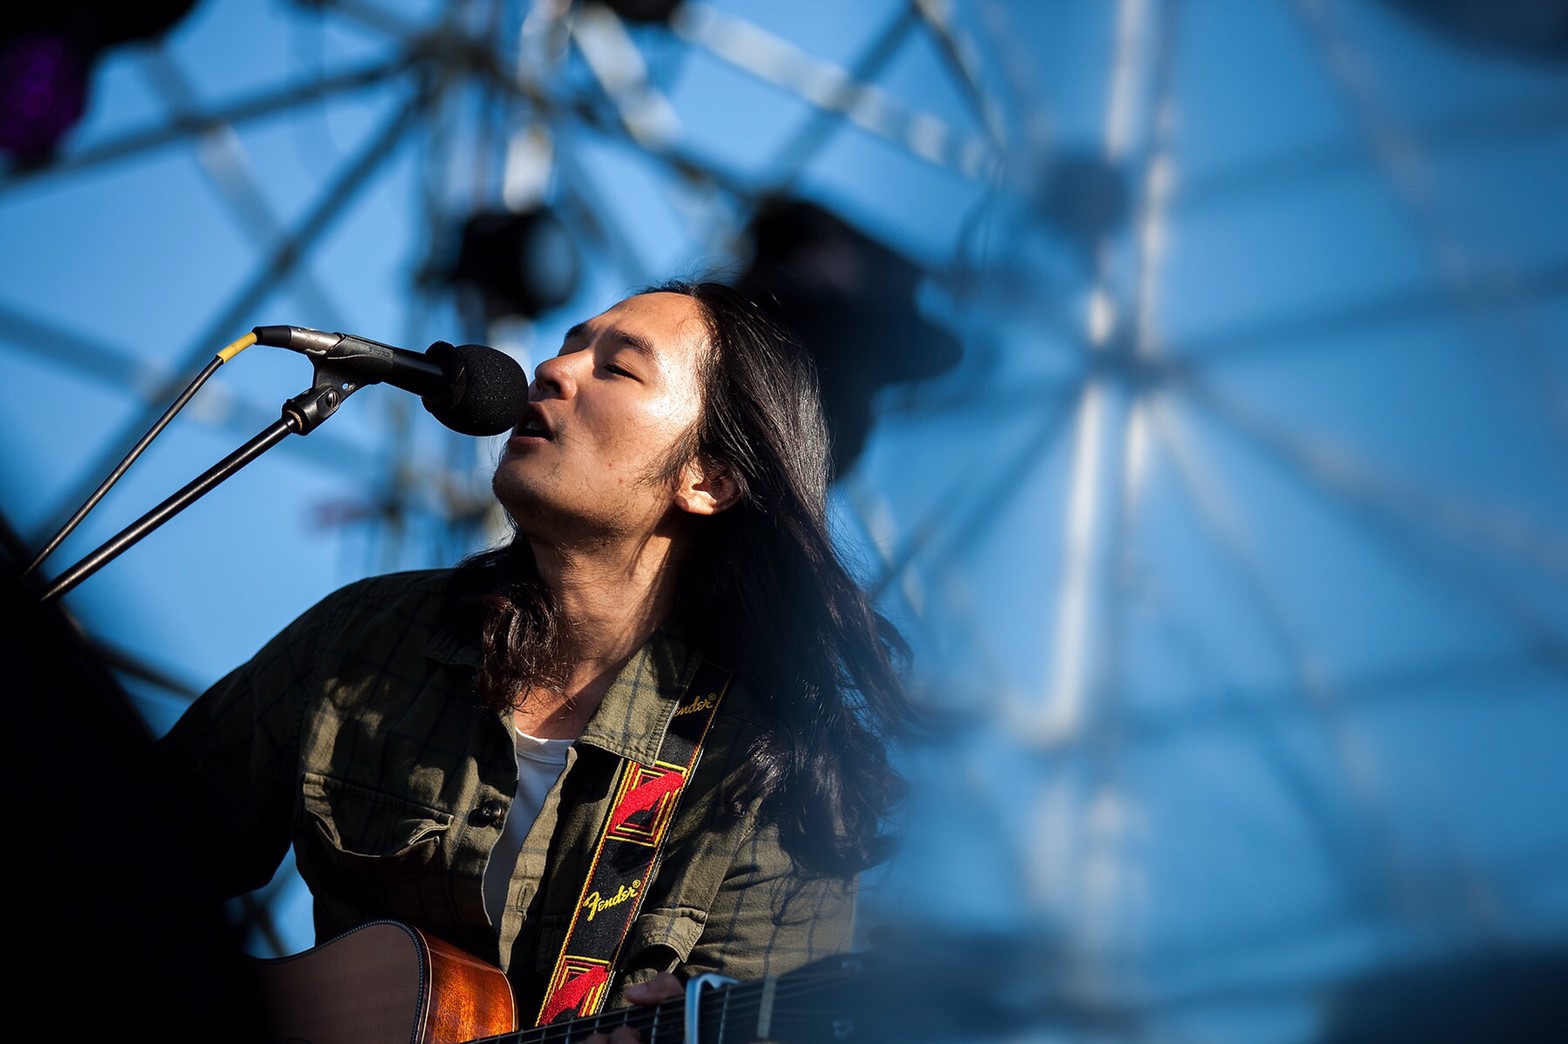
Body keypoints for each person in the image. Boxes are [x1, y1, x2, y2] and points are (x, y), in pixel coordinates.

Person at [148, 278, 920, 1041]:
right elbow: (118, 858)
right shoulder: (368, 640)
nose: (551, 369)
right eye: (568, 346)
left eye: (618, 368)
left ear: (708, 479)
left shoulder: (772, 775)